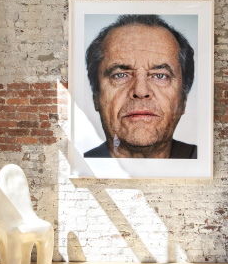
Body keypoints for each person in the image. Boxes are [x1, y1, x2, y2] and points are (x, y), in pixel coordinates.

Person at [84, 13, 197, 159]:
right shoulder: (78, 165)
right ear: (96, 97)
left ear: (183, 101)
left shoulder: (206, 161)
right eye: (120, 75)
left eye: (160, 76)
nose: (140, 91)